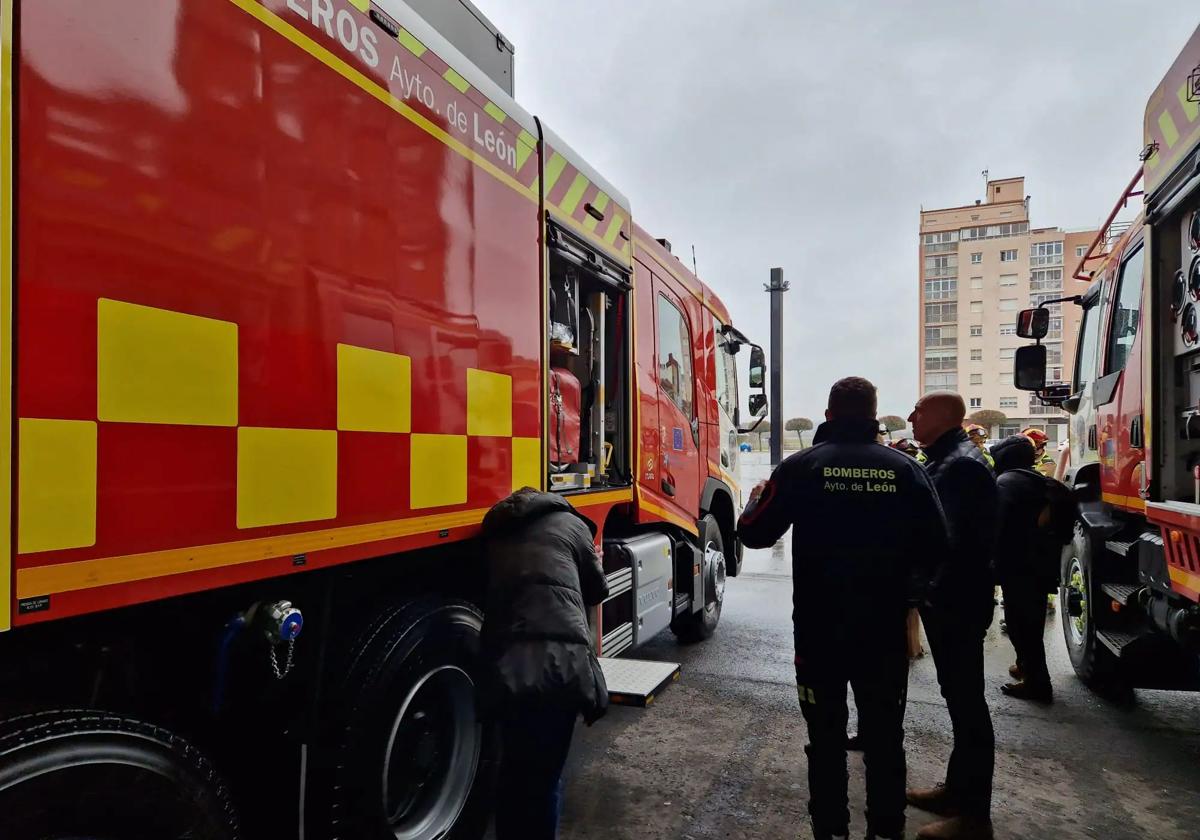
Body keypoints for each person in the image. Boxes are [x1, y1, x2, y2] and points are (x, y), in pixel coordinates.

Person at [737, 377, 950, 840]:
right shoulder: (906, 469)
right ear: (875, 415)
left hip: (818, 631)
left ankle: (830, 829)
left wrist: (754, 500)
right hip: (883, 631)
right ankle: (886, 832)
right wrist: (908, 591)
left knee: (826, 737)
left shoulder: (802, 466)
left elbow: (753, 533)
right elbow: (938, 544)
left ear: (829, 414)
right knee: (885, 737)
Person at [479, 487, 610, 840]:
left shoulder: (497, 529)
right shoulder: (572, 525)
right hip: (561, 666)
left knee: (513, 773)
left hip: (507, 667)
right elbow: (597, 590)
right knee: (545, 778)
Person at [907, 392, 998, 840]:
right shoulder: (949, 459)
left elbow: (952, 543)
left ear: (943, 417)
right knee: (958, 699)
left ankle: (974, 819)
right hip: (951, 599)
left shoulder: (960, 465)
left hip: (957, 602)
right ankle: (956, 792)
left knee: (968, 707)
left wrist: (925, 590)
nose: (910, 418)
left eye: (919, 411)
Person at [991, 435, 1057, 704]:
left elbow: (996, 525)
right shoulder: (1040, 480)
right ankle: (1025, 667)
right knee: (1031, 623)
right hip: (1040, 564)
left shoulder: (1006, 482)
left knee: (1022, 626)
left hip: (1017, 565)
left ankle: (1038, 684)